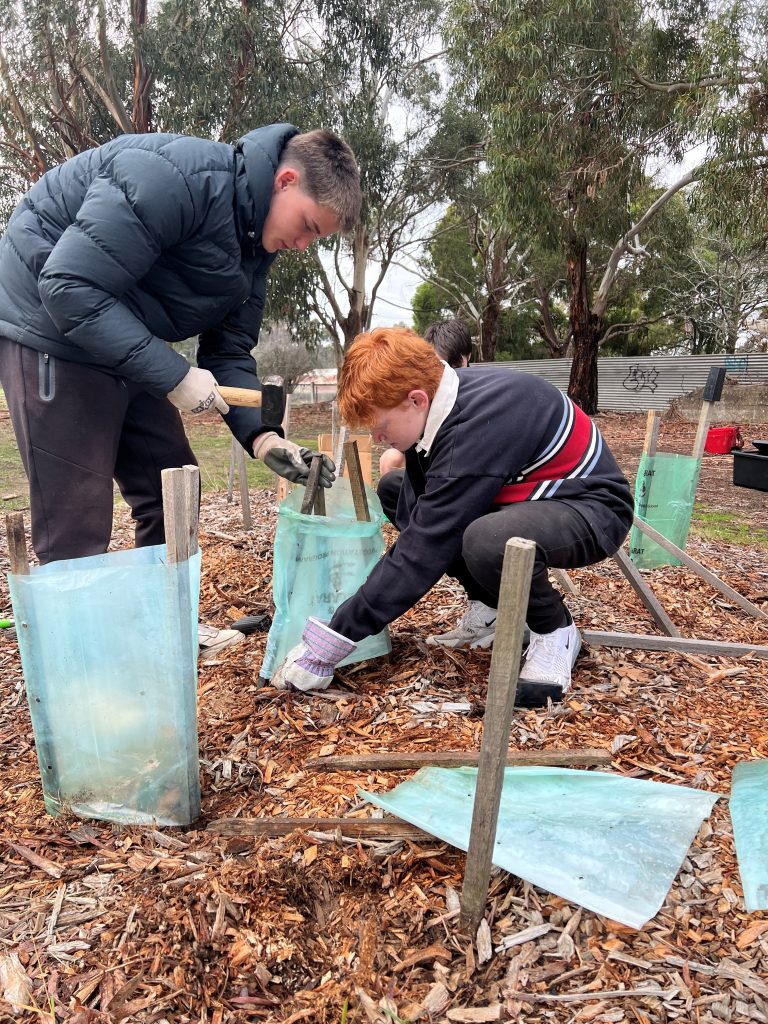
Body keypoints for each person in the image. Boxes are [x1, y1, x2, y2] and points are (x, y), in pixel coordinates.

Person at [0, 125, 360, 657]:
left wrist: (263, 438)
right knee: (75, 517)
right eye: (307, 226)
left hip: (124, 331)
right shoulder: (173, 178)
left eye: (316, 238)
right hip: (52, 328)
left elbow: (230, 350)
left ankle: (164, 631)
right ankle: (81, 663)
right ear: (285, 180)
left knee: (174, 488)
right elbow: (68, 285)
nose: (303, 244)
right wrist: (172, 375)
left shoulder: (253, 249)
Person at [274, 327, 633, 706]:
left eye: (381, 427)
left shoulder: (474, 428)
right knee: (396, 491)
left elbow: (425, 548)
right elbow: (424, 516)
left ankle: (554, 629)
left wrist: (333, 639)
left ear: (415, 400)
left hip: (590, 507)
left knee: (490, 541)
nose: (378, 439)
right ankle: (492, 608)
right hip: (521, 495)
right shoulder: (437, 406)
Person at [377, 318, 473, 478]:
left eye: (455, 366)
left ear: (468, 356)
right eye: (440, 365)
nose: (447, 373)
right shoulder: (424, 386)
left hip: (457, 460)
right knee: (390, 460)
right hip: (427, 452)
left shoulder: (474, 391)